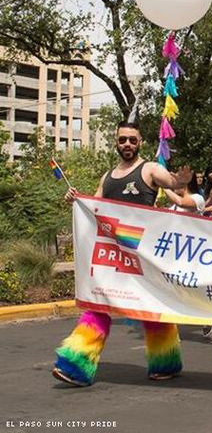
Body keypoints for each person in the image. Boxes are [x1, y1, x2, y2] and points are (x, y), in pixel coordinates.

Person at [53, 121, 190, 387]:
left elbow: (172, 182)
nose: (127, 144)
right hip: (112, 256)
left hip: (143, 255)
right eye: (123, 140)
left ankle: (167, 363)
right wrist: (75, 199)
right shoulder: (107, 177)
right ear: (116, 142)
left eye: (132, 140)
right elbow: (94, 207)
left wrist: (179, 181)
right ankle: (76, 366)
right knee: (98, 303)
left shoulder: (149, 169)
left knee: (150, 308)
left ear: (140, 143)